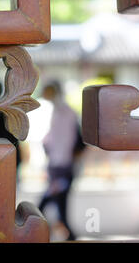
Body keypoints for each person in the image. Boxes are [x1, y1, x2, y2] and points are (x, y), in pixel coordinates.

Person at [38, 80, 78, 241]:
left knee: (51, 202)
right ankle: (68, 234)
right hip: (58, 165)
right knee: (59, 204)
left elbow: (66, 142)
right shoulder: (59, 111)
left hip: (61, 166)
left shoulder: (65, 113)